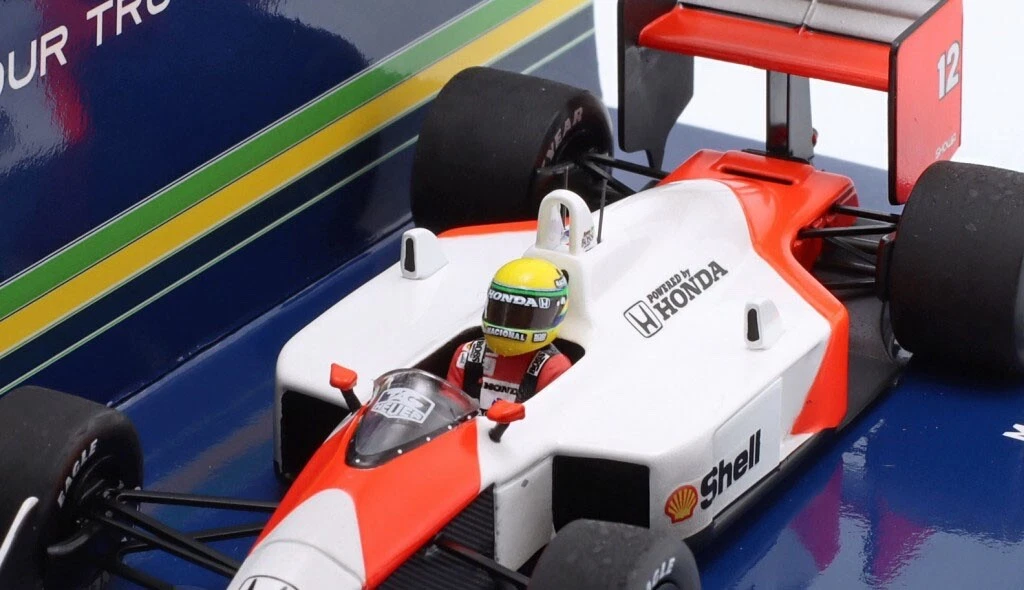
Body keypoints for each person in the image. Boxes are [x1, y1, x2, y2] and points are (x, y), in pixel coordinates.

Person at [446, 257, 573, 408]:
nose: (508, 322)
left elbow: (550, 418)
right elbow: (448, 412)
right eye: (500, 311)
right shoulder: (467, 355)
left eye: (524, 316)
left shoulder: (554, 368)